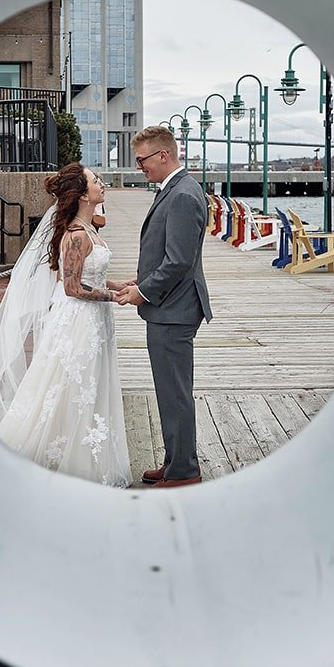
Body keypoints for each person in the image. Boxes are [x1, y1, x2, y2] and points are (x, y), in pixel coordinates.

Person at [0, 162, 133, 488]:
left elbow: (89, 275)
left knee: (86, 386)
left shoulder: (88, 230)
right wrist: (113, 297)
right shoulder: (76, 235)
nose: (101, 184)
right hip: (79, 322)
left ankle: (79, 455)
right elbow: (72, 287)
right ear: (83, 195)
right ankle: (59, 458)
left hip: (94, 320)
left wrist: (117, 284)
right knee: (70, 386)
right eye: (95, 181)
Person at [116, 126, 212, 487]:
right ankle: (175, 462)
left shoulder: (183, 194)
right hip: (170, 306)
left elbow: (178, 261)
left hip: (175, 310)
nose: (139, 166)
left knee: (175, 393)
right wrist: (138, 281)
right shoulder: (176, 189)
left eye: (142, 159)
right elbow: (167, 254)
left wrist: (143, 292)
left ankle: (184, 471)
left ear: (163, 155)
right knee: (171, 391)